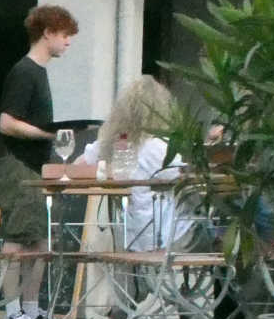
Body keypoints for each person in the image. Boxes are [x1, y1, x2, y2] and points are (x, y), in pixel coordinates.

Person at [0, 3, 78, 319]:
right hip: (19, 166)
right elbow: (6, 123)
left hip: (36, 166)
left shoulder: (38, 72)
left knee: (40, 242)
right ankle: (11, 313)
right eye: (65, 35)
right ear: (47, 33)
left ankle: (31, 309)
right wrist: (48, 133)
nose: (69, 42)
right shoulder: (25, 71)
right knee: (16, 240)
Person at [75, 76, 198, 251]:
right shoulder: (158, 147)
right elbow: (186, 179)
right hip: (166, 236)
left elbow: (77, 167)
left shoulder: (108, 143)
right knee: (215, 226)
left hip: (128, 236)